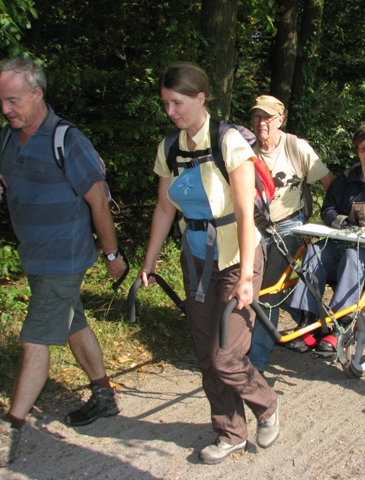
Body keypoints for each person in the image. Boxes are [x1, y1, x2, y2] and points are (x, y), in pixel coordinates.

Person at [139, 62, 279, 465]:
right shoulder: (170, 147)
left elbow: (243, 210)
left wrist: (249, 277)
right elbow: (165, 208)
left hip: (238, 257)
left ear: (201, 97)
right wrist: (149, 263)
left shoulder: (229, 140)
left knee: (226, 356)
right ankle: (230, 432)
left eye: (177, 102)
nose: (171, 112)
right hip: (197, 258)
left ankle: (266, 404)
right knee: (205, 353)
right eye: (166, 104)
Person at [0, 58, 127, 469]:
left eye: (12, 100)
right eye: (0, 102)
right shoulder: (7, 137)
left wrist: (111, 255)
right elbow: (19, 180)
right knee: (73, 323)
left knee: (35, 339)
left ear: (37, 94)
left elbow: (98, 200)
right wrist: (0, 187)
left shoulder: (68, 140)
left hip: (63, 257)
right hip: (33, 253)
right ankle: (104, 396)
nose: (5, 110)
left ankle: (9, 430)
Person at [287, 122, 365, 355]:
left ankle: (340, 325)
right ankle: (308, 322)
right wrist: (343, 222)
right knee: (314, 251)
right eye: (363, 148)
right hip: (343, 240)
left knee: (352, 255)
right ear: (357, 150)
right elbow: (328, 209)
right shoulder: (347, 179)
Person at [247, 95, 334, 373]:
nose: (261, 123)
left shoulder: (297, 147)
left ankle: (255, 363)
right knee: (245, 281)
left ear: (280, 120)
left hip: (290, 226)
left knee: (267, 291)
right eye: (257, 117)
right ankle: (311, 320)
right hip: (254, 226)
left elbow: (328, 181)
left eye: (267, 118)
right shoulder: (246, 150)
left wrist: (336, 217)